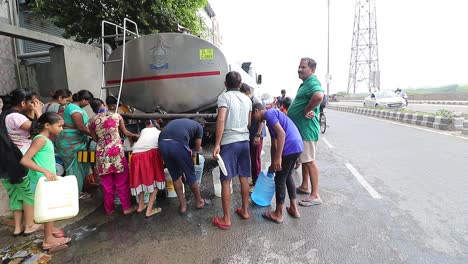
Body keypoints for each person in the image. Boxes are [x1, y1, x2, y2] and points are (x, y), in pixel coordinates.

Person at [20, 112, 72, 250]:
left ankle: (49, 237)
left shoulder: (46, 139)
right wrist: (45, 171)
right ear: (47, 125)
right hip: (40, 181)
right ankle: (48, 239)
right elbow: (25, 160)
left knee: (50, 210)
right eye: (60, 126)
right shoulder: (41, 139)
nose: (62, 129)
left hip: (46, 181)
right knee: (49, 210)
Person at [212, 71, 252, 230]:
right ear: (240, 84)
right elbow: (249, 123)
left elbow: (221, 119)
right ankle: (244, 210)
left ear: (225, 84)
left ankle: (226, 219)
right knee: (243, 177)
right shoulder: (247, 99)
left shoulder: (224, 97)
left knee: (226, 180)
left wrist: (217, 143)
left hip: (229, 142)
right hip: (244, 141)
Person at [0, 88, 42, 237]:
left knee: (15, 195)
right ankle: (30, 225)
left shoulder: (5, 114)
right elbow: (39, 130)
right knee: (27, 193)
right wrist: (39, 112)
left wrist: (32, 112)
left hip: (6, 161)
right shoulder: (16, 117)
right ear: (23, 102)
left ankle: (18, 228)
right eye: (32, 102)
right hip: (18, 158)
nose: (35, 104)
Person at [252, 103, 303, 223]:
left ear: (256, 111)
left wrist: (278, 157)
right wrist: (272, 163)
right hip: (297, 146)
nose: (254, 120)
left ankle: (278, 214)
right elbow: (275, 144)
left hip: (290, 146)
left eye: (253, 116)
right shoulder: (271, 119)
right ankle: (294, 208)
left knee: (280, 179)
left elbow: (282, 134)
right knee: (287, 176)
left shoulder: (269, 114)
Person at [88, 99, 138, 215]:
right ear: (104, 105)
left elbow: (95, 139)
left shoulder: (91, 121)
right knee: (122, 181)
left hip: (102, 154)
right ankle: (126, 208)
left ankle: (109, 209)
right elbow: (126, 133)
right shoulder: (116, 116)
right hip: (116, 152)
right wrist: (136, 135)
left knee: (107, 185)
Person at [287, 58, 324, 207]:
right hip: (302, 129)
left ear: (312, 70)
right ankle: (304, 185)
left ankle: (315, 195)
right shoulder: (305, 84)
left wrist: (307, 110)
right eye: (299, 67)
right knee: (305, 160)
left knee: (309, 161)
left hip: (307, 129)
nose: (300, 69)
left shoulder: (313, 82)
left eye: (303, 67)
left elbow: (319, 96)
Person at [158, 118, 205, 214]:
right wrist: (193, 151)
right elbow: (197, 147)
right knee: (190, 175)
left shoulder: (181, 122)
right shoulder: (199, 127)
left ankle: (183, 205)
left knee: (176, 176)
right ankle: (199, 201)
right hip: (177, 144)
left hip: (162, 144)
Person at [54, 90, 94, 196]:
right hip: (71, 143)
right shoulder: (74, 109)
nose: (88, 104)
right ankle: (75, 194)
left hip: (80, 142)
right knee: (75, 168)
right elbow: (80, 127)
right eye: (88, 102)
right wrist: (95, 136)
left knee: (84, 164)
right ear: (82, 100)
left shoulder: (77, 108)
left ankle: (85, 186)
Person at [129, 120, 164, 218]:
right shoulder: (159, 133)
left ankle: (141, 206)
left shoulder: (144, 130)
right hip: (148, 155)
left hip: (135, 156)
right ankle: (149, 211)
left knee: (141, 181)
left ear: (148, 125)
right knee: (156, 182)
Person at [240, 83, 266, 192]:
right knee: (253, 158)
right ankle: (255, 179)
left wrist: (258, 135)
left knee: (255, 159)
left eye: (242, 94)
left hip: (257, 135)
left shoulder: (256, 101)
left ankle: (256, 183)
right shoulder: (249, 101)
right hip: (252, 133)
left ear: (248, 92)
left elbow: (262, 120)